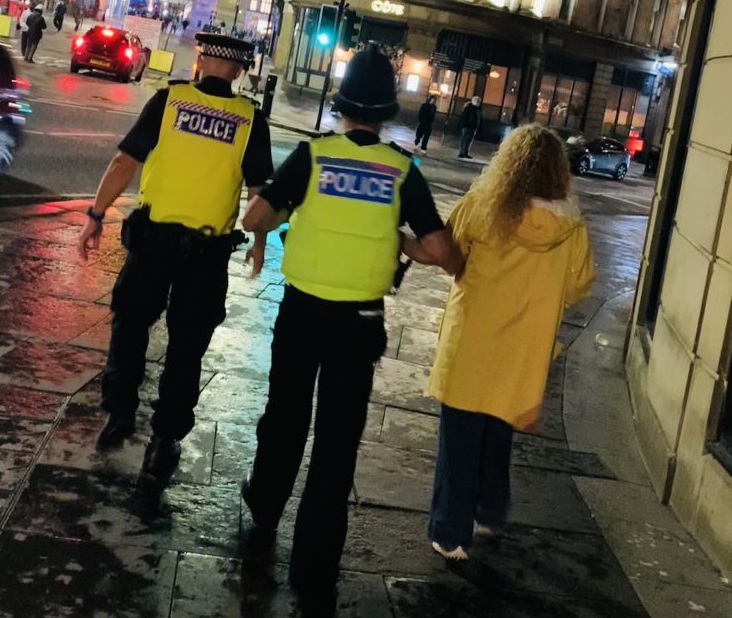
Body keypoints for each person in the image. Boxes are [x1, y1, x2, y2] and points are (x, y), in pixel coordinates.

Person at [241, 44, 462, 617]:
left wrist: (288, 218)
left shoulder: (313, 156)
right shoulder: (401, 169)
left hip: (300, 313)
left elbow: (255, 216)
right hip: (358, 325)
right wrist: (402, 241)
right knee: (337, 443)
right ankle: (315, 563)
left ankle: (264, 512)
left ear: (339, 105)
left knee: (285, 415)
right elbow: (440, 250)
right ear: (388, 111)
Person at [77, 32, 273, 483]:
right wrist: (260, 244)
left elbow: (125, 163)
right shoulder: (249, 120)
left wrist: (95, 214)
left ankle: (120, 412)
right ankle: (164, 440)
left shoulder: (170, 102)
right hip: (206, 254)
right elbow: (259, 194)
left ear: (200, 61)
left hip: (153, 243)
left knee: (129, 321)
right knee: (187, 346)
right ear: (241, 70)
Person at [427, 124, 594, 560]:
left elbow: (450, 250)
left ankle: (450, 530)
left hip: (472, 341)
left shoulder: (484, 205)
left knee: (459, 437)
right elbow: (579, 284)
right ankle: (490, 511)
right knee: (497, 432)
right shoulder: (570, 227)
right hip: (522, 351)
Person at [457, 94, 482, 159]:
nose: (478, 102)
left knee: (468, 140)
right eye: (477, 101)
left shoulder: (477, 109)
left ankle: (465, 152)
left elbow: (478, 119)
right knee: (465, 139)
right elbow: (464, 117)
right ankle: (462, 152)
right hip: (467, 126)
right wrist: (464, 125)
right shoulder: (469, 108)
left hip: (472, 127)